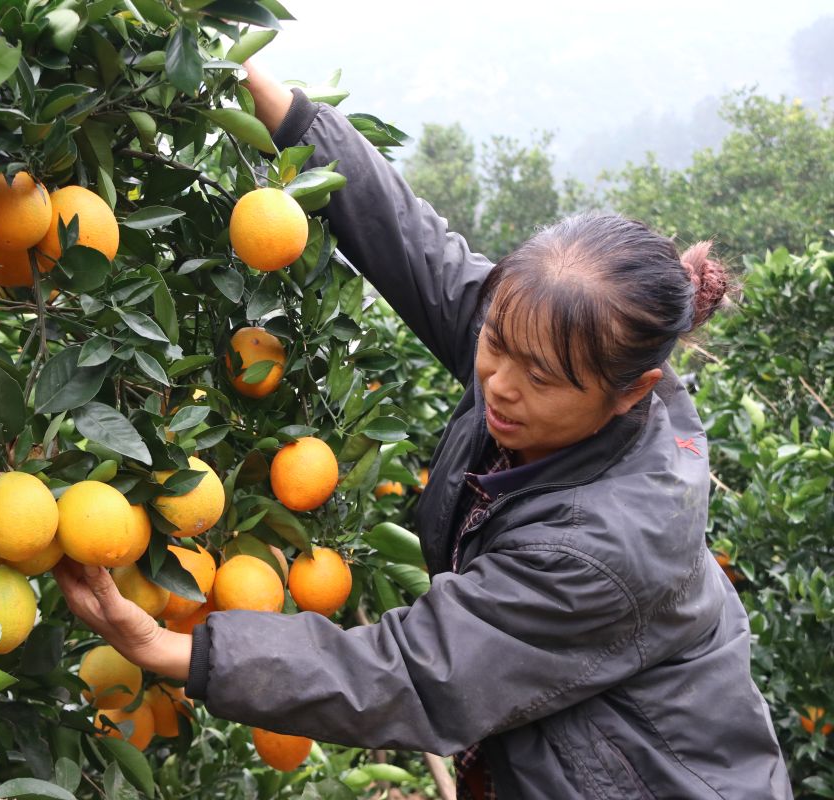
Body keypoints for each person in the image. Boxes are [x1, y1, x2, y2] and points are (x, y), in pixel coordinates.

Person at [54, 61, 792, 799]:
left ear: (633, 393)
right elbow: (419, 252)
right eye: (496, 343)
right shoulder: (554, 352)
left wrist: (165, 645)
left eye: (538, 379)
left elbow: (412, 672)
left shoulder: (607, 548)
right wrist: (287, 114)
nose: (499, 384)